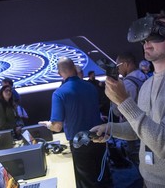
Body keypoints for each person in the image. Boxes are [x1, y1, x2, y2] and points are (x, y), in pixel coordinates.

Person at [90, 10, 165, 187]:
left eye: (156, 32)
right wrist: (110, 128)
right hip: (149, 182)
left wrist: (124, 102)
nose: (146, 39)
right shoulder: (147, 84)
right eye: (145, 35)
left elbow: (164, 144)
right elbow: (142, 130)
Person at [39, 57, 112, 188]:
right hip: (99, 137)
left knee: (87, 181)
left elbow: (57, 126)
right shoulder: (91, 87)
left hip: (80, 142)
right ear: (74, 68)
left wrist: (48, 124)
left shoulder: (59, 93)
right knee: (103, 176)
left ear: (59, 73)